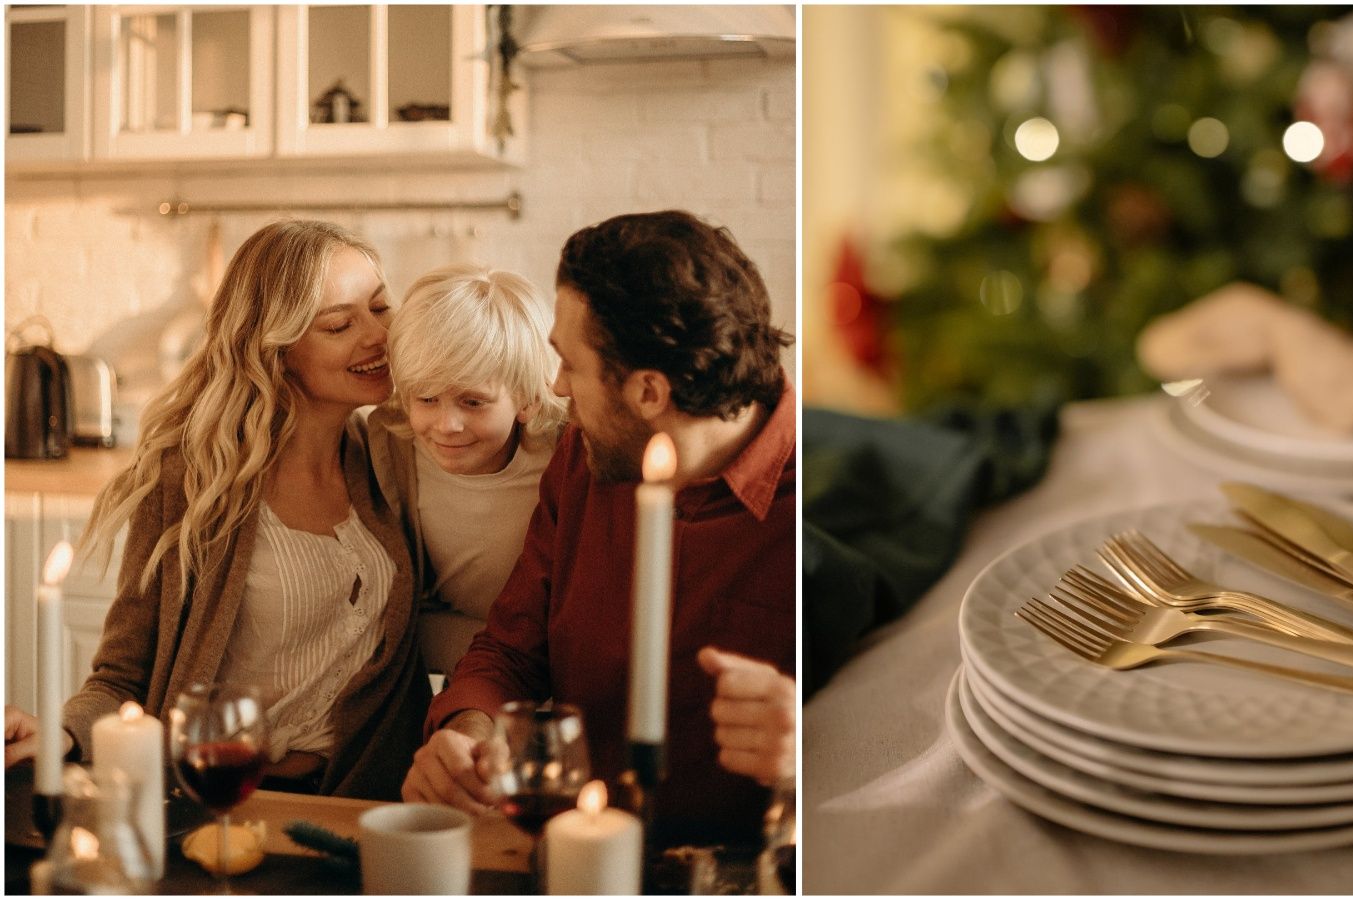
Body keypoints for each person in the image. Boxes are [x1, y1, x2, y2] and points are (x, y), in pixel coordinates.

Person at [401, 210, 797, 844]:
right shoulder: (583, 461)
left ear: (647, 392)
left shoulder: (825, 506)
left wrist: (806, 756)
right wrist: (468, 731)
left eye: (569, 365)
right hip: (567, 853)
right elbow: (511, 650)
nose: (555, 389)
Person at [3, 220, 430, 800]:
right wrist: (65, 733)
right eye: (339, 323)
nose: (378, 335)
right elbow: (123, 675)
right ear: (275, 347)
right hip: (223, 801)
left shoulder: (397, 456)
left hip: (366, 804)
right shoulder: (192, 480)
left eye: (381, 307)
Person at [366, 264, 566, 677]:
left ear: (527, 399)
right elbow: (402, 611)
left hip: (554, 646)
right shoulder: (393, 447)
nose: (446, 425)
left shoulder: (562, 453)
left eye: (473, 402)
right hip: (460, 646)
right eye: (426, 398)